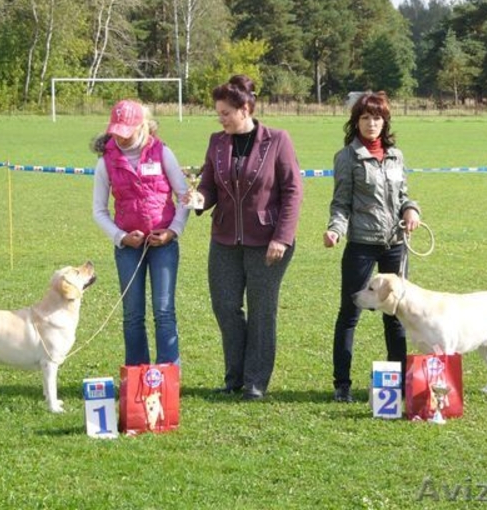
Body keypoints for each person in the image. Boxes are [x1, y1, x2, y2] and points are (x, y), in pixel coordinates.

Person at [192, 75, 303, 401]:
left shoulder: (278, 140)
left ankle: (256, 382)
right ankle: (234, 377)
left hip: (268, 242)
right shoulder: (217, 142)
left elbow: (293, 191)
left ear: (245, 109)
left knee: (261, 312)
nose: (221, 118)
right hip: (224, 240)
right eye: (219, 113)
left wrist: (281, 237)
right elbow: (209, 186)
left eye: (226, 113)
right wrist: (198, 199)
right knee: (225, 307)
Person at [323, 91, 421, 403]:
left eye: (377, 117)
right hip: (362, 246)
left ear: (385, 121)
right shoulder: (346, 158)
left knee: (396, 316)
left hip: (395, 244)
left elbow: (404, 194)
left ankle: (401, 383)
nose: (371, 123)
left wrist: (412, 210)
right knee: (350, 314)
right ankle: (342, 384)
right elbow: (341, 204)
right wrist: (335, 230)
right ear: (356, 122)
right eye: (365, 118)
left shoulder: (397, 155)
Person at [92, 99, 189, 367]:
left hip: (164, 247)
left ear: (142, 126)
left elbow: (184, 196)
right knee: (132, 314)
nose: (120, 138)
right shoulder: (105, 162)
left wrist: (172, 232)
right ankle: (136, 376)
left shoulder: (163, 153)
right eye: (116, 132)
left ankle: (168, 375)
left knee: (164, 311)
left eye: (126, 132)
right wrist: (121, 237)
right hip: (128, 249)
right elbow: (98, 211)